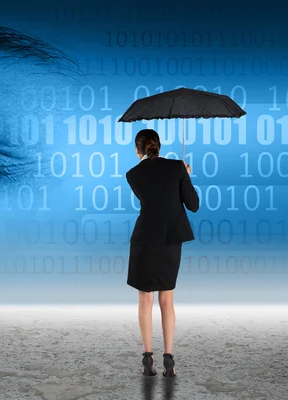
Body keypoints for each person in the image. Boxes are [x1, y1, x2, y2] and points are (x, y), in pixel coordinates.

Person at [125, 128, 199, 377]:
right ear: (159, 145)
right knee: (166, 302)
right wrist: (185, 178)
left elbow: (152, 199)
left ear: (138, 151)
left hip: (144, 241)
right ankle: (169, 359)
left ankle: (147, 360)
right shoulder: (177, 167)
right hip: (169, 241)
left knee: (144, 301)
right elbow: (193, 205)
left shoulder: (132, 175)